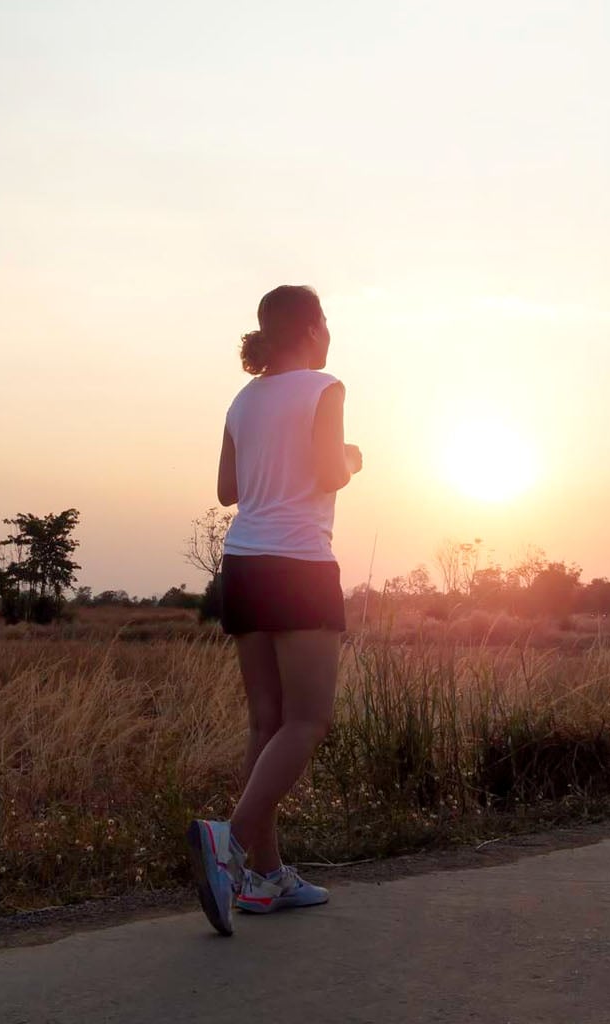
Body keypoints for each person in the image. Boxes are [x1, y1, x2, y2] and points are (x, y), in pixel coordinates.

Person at [186, 285, 362, 937]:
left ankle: (265, 877)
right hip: (299, 564)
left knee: (267, 721)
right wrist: (351, 457)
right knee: (309, 718)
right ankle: (227, 848)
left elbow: (229, 490)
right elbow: (329, 471)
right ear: (313, 329)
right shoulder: (325, 386)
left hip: (245, 565)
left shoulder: (244, 397)